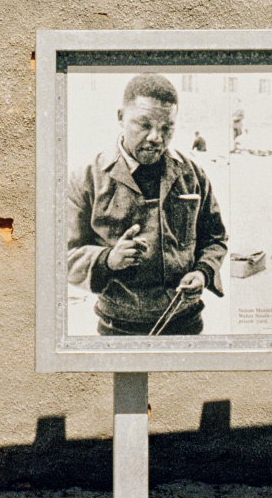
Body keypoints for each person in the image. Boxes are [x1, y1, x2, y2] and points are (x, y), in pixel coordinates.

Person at [67, 74, 228, 335]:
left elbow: (215, 238)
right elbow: (64, 255)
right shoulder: (87, 178)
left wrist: (202, 272)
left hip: (185, 322)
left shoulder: (192, 174)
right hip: (119, 329)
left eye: (167, 128)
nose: (156, 137)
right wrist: (107, 260)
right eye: (144, 124)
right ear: (121, 117)